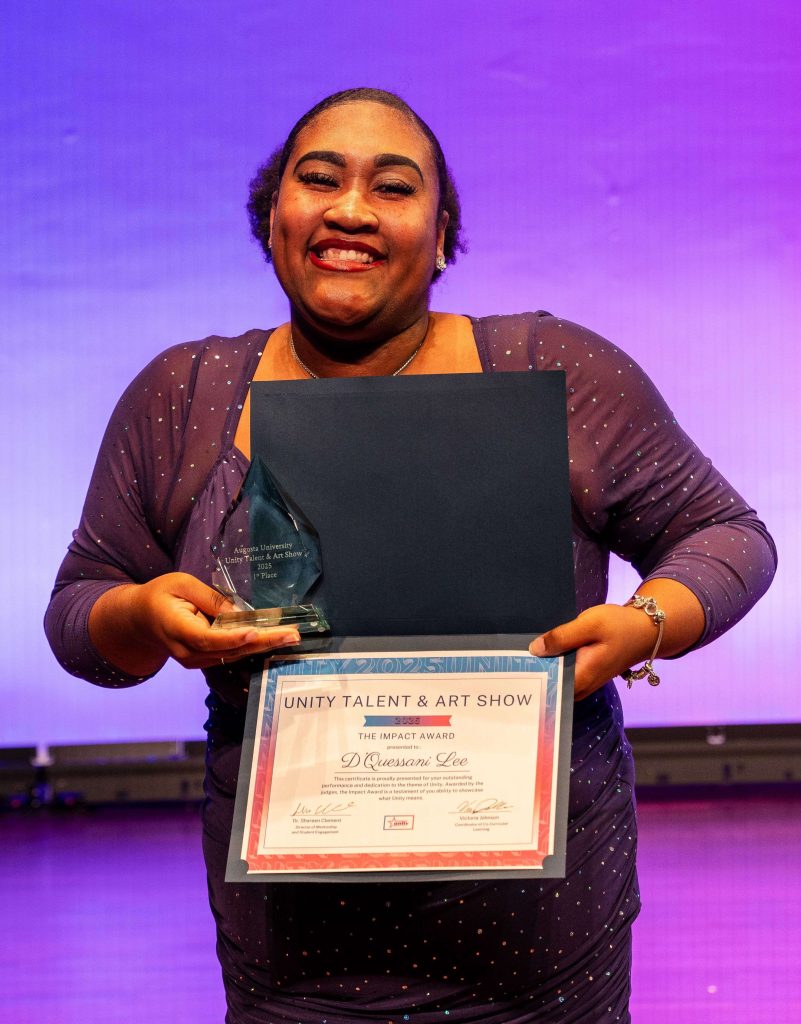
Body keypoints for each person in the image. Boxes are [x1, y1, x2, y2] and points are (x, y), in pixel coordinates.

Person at [46, 88, 776, 1023]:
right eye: (318, 180)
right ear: (273, 221)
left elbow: (728, 535)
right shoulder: (183, 395)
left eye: (391, 187)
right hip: (292, 961)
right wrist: (140, 617)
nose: (349, 208)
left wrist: (643, 625)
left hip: (540, 955)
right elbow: (80, 611)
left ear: (440, 239)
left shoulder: (552, 373)